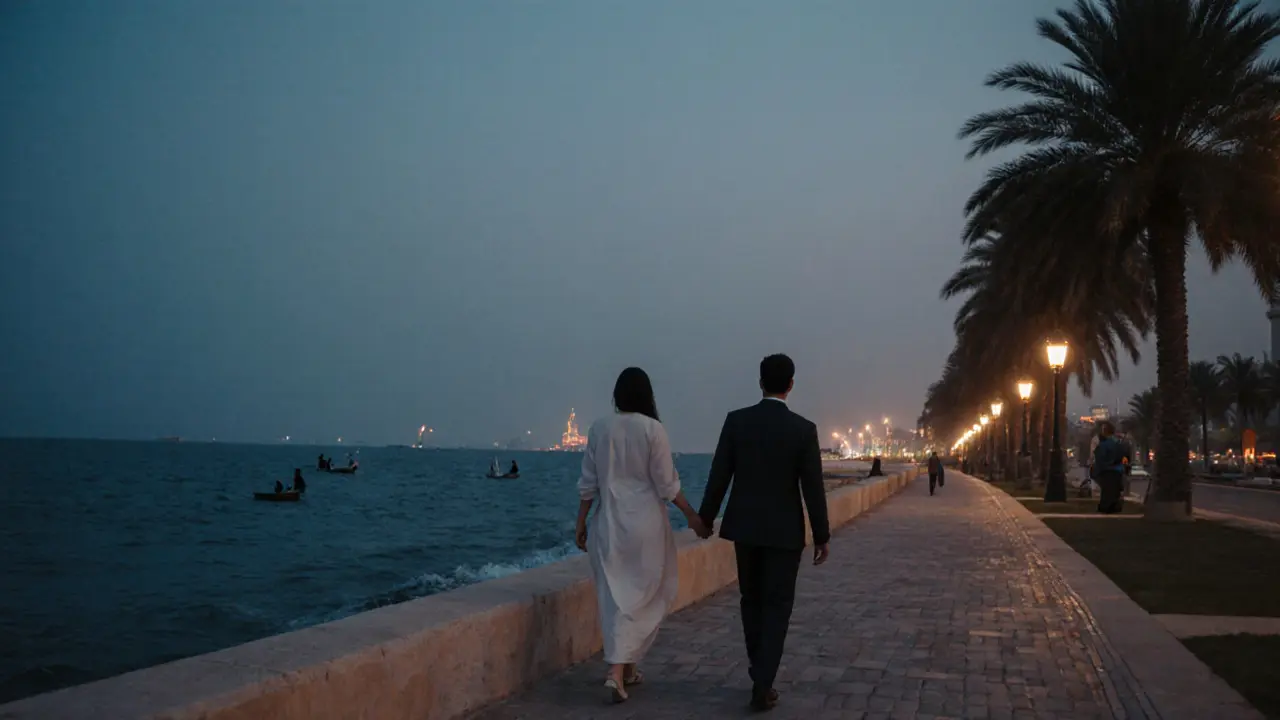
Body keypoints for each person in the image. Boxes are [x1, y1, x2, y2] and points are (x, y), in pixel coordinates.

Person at [697, 354, 830, 712]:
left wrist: (706, 518)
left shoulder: (737, 422)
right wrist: (822, 535)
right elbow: (813, 488)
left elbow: (719, 475)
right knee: (778, 606)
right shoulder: (803, 430)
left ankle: (760, 671)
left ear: (760, 383)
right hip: (785, 534)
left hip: (745, 529)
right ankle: (763, 681)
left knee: (750, 601)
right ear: (790, 384)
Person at [575, 367, 710, 703]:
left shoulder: (599, 428)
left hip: (608, 525)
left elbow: (588, 485)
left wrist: (579, 523)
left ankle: (627, 668)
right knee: (645, 594)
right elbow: (667, 485)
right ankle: (617, 671)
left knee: (615, 597)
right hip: (646, 527)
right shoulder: (653, 430)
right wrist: (691, 515)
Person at [1093, 421, 1130, 514]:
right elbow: (1124, 455)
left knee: (1107, 492)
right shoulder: (1118, 443)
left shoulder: (1104, 445)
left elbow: (1100, 458)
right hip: (1117, 471)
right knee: (1115, 492)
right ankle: (1114, 506)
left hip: (1107, 471)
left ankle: (1106, 507)